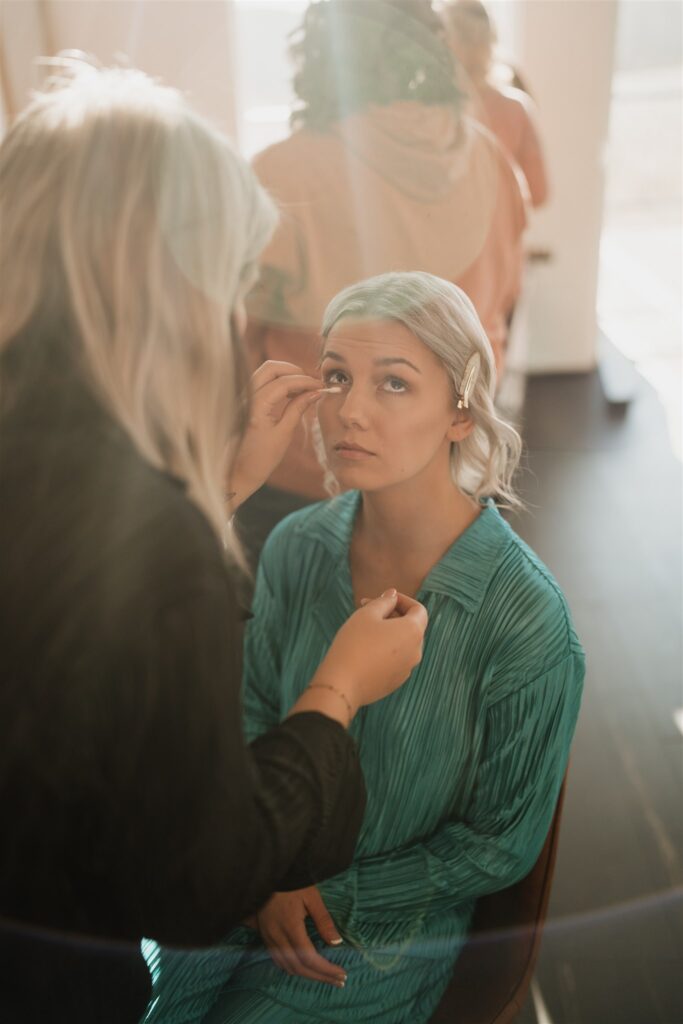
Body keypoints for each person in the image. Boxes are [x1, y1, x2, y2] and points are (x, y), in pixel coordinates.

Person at [0, 63, 428, 1024]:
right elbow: (190, 883)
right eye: (233, 285)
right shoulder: (154, 544)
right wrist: (336, 693)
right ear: (171, 290)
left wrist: (212, 494)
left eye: (394, 381)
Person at [144, 271, 585, 1024]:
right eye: (338, 376)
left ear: (458, 412)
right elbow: (251, 709)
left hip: (377, 935)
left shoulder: (525, 618)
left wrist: (326, 892)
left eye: (393, 384)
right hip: (242, 874)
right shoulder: (295, 546)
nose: (348, 410)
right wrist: (261, 867)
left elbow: (500, 842)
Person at [238, 0, 526, 560]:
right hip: (451, 468)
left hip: (310, 472)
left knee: (300, 640)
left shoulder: (281, 173)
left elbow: (234, 339)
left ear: (321, 56)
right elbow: (504, 300)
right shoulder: (491, 158)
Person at [443, 0, 549, 208]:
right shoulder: (516, 109)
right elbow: (539, 194)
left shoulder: (432, 111)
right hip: (503, 238)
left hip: (447, 238)